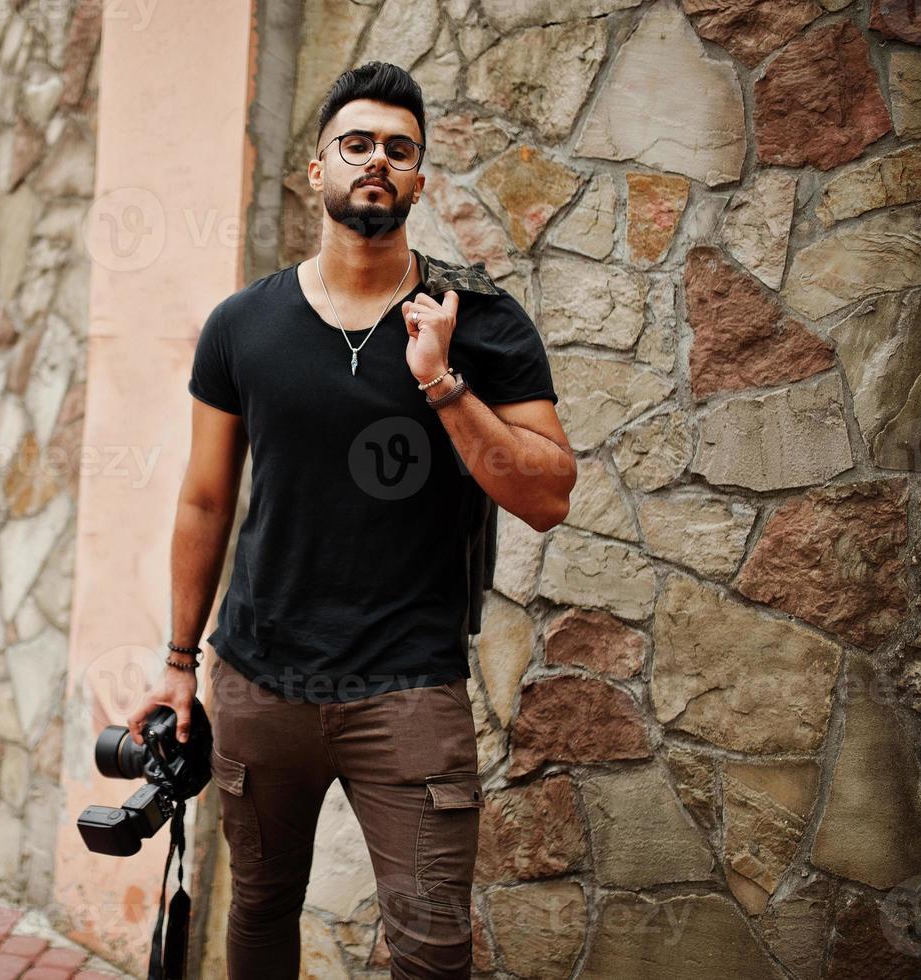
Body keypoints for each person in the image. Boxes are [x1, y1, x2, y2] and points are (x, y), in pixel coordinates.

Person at [128, 61, 575, 978]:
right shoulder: (240, 326)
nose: (377, 161)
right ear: (316, 170)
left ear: (418, 180)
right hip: (258, 681)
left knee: (430, 947)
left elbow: (547, 496)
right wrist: (180, 667)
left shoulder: (479, 321)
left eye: (398, 150)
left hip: (408, 688)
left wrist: (443, 385)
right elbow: (205, 500)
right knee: (256, 916)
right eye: (357, 143)